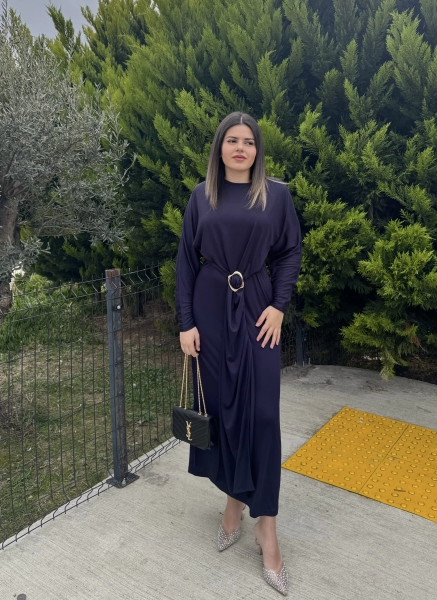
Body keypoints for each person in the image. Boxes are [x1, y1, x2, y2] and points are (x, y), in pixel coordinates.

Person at [175, 111, 302, 596]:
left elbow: (289, 252)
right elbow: (186, 261)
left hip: (257, 311)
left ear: (257, 150)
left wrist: (279, 305)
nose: (241, 148)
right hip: (209, 312)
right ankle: (233, 503)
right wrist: (185, 322)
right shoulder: (201, 196)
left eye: (249, 141)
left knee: (262, 416)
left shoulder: (276, 194)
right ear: (220, 147)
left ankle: (266, 527)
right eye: (232, 140)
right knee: (224, 414)